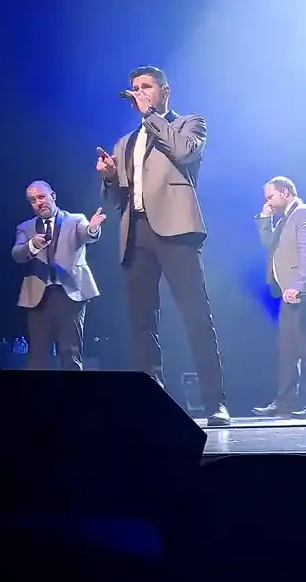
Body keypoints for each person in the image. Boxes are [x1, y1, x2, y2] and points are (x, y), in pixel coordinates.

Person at [95, 66, 230, 427]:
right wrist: (109, 177)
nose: (139, 93)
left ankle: (214, 402)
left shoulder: (189, 124)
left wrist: (152, 116)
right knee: (142, 322)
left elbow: (184, 153)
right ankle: (151, 401)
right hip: (135, 232)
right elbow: (118, 197)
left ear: (164, 91)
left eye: (146, 87)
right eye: (134, 88)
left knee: (196, 318)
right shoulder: (125, 142)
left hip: (176, 229)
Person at [251, 177, 306, 419]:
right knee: (287, 350)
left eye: (270, 198)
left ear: (285, 192)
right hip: (290, 294)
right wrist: (266, 219)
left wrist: (297, 285)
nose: (268, 202)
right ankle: (284, 404)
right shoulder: (285, 218)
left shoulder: (305, 214)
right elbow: (270, 244)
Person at [12, 180, 104, 370]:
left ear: (53, 196)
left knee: (70, 353)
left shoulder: (75, 220)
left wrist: (93, 228)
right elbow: (17, 254)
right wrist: (32, 245)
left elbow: (87, 234)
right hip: (38, 297)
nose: (39, 202)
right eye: (33, 200)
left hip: (70, 293)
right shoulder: (26, 227)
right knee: (37, 357)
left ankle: (73, 397)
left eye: (42, 197)